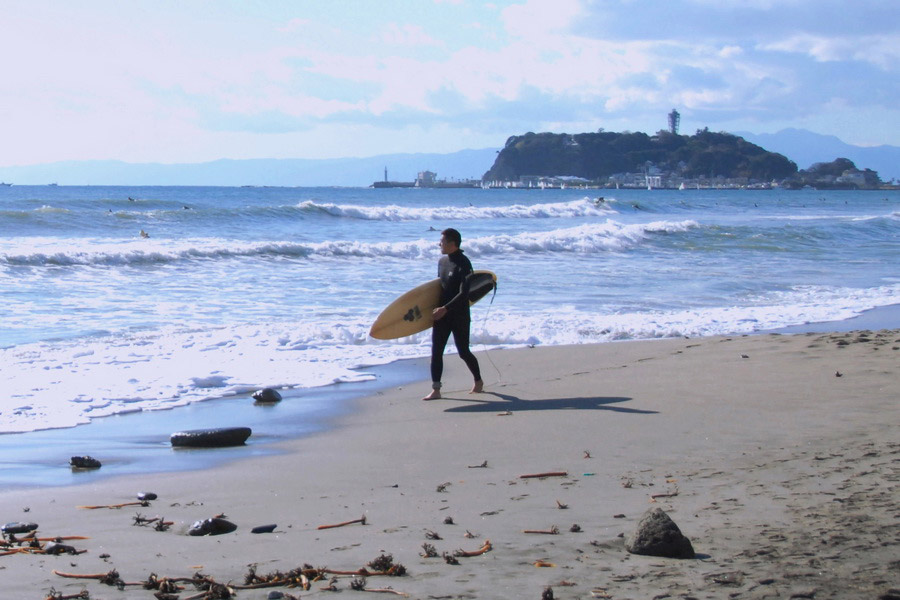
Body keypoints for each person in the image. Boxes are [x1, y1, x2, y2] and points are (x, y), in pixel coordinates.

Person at [422, 228, 484, 401]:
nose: (439, 244)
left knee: (463, 351)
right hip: (441, 315)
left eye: (441, 241)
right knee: (436, 351)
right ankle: (436, 389)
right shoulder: (442, 262)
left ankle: (478, 380)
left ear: (451, 243)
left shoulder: (464, 264)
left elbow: (464, 293)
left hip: (459, 315)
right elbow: (438, 289)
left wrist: (445, 309)